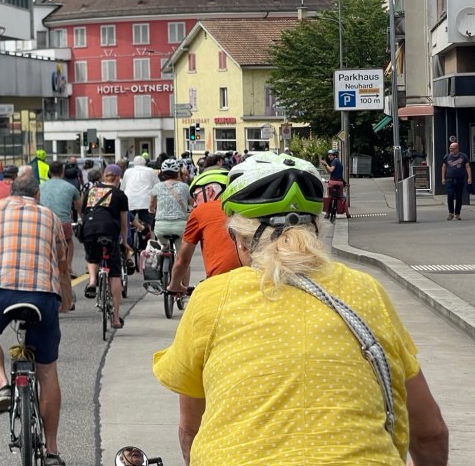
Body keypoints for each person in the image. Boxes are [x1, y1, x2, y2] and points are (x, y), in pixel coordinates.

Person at [152, 154, 450, 466]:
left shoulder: (212, 298)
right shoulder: (365, 291)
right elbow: (430, 433)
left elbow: (190, 429)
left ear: (239, 240)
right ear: (316, 230)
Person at [0, 173, 71, 466]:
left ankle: (2, 382)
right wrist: (65, 297)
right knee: (48, 371)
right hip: (43, 296)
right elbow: (62, 262)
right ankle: (51, 451)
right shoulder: (50, 217)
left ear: (10, 192)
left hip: (0, 292)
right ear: (37, 194)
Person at [167, 165, 239, 297]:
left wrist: (174, 285)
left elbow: (182, 259)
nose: (194, 204)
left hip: (220, 282)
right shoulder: (242, 207)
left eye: (196, 196)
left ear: (210, 191)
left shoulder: (200, 211)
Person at [79, 164, 130, 329]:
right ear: (117, 178)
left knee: (92, 255)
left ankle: (93, 280)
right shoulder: (120, 195)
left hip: (90, 228)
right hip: (109, 230)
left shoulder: (91, 191)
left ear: (103, 177)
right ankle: (115, 318)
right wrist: (124, 240)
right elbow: (124, 222)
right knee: (114, 274)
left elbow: (82, 212)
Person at [40, 160, 82, 275]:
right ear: (62, 172)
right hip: (63, 222)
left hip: (44, 222)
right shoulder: (71, 188)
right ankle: (68, 267)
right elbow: (80, 208)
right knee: (68, 241)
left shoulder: (40, 187)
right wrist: (83, 220)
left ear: (49, 172)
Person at [121, 155, 159, 262]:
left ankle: (130, 244)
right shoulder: (150, 171)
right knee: (147, 223)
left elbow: (123, 187)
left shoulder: (128, 172)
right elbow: (157, 185)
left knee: (128, 222)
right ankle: (144, 245)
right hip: (145, 201)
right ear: (145, 163)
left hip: (129, 201)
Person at [149, 159, 192, 252]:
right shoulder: (185, 187)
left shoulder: (157, 186)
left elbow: (151, 205)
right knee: (182, 257)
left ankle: (164, 248)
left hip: (161, 227)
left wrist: (152, 210)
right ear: (178, 173)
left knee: (163, 244)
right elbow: (193, 203)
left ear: (162, 173)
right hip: (180, 227)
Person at [440, 142, 471, 220]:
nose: (451, 149)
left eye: (452, 148)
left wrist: (469, 177)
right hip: (450, 179)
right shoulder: (447, 156)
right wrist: (443, 178)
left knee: (459, 197)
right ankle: (451, 213)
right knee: (450, 196)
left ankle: (457, 213)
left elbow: (467, 167)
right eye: (450, 148)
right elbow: (444, 167)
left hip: (460, 179)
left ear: (457, 148)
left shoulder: (463, 156)